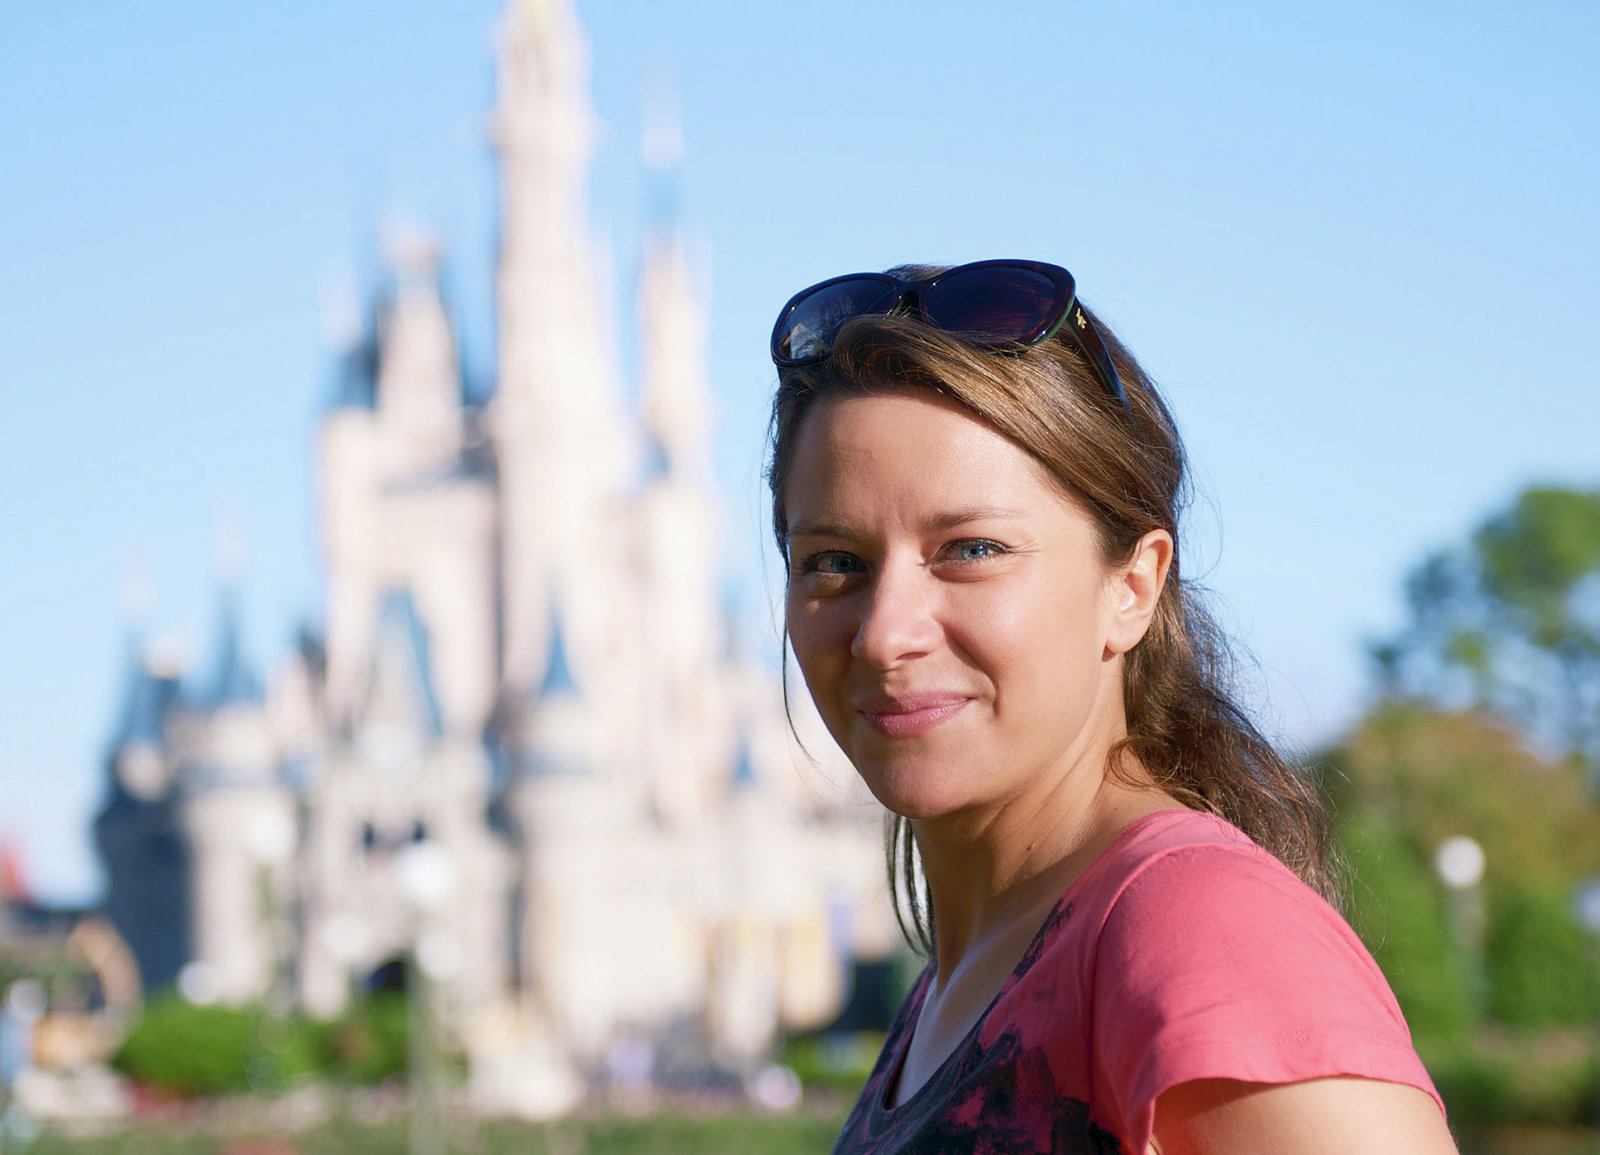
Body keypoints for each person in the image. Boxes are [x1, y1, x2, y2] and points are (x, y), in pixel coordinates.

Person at [765, 260, 1458, 1154]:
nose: (884, 633)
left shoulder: (1201, 927)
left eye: (971, 549)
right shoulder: (959, 981)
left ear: (1132, 587)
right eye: (834, 561)